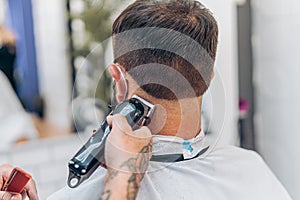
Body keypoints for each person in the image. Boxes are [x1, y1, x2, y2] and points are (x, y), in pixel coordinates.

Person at [2, 0, 292, 199]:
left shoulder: (85, 193)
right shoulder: (253, 170)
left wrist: (122, 177)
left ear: (118, 80)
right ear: (208, 78)